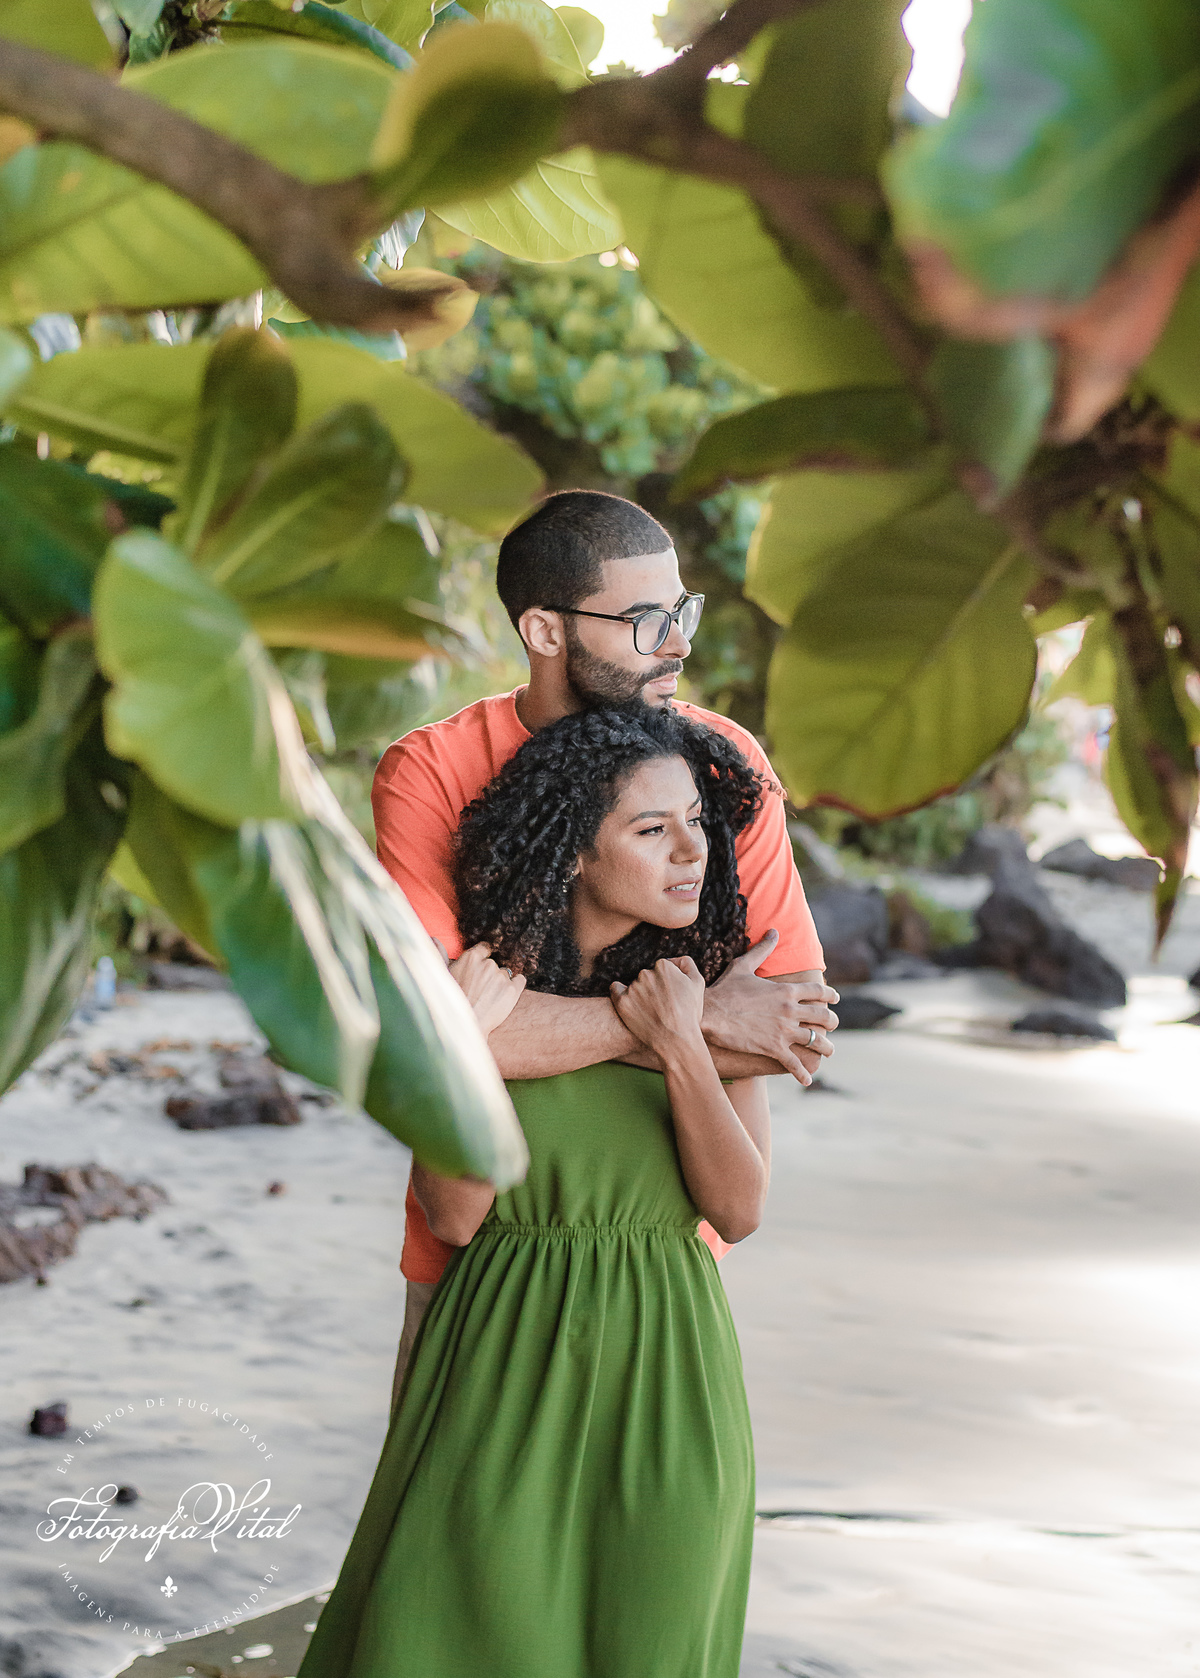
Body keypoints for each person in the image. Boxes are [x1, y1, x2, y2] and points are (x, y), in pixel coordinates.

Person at [298, 709, 772, 1678]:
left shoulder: (720, 991)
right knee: (444, 1636)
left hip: (670, 1388)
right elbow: (458, 1212)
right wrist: (462, 1055)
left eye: (696, 821)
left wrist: (682, 1042)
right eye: (653, 829)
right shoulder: (490, 993)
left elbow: (738, 1209)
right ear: (573, 854)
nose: (693, 850)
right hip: (500, 1374)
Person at [372, 490, 838, 1403]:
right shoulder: (431, 771)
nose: (678, 644)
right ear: (544, 630)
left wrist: (514, 1027)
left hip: (666, 1261)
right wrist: (676, 1021)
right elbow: (431, 1039)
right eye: (644, 620)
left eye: (682, 612)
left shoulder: (724, 766)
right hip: (470, 1259)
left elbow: (793, 1028)